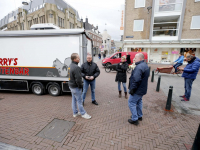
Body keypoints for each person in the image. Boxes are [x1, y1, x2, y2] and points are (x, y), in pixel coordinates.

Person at [128, 53, 149, 125]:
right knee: (139, 101)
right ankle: (139, 116)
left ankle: (135, 119)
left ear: (140, 58)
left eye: (135, 57)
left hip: (137, 89)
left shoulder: (139, 67)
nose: (134, 58)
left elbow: (136, 80)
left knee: (131, 102)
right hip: (142, 89)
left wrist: (132, 89)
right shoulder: (145, 65)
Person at [68, 53, 91, 119]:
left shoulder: (70, 65)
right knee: (79, 101)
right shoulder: (76, 67)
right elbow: (78, 79)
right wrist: (81, 86)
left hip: (71, 86)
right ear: (74, 59)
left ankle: (75, 113)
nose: (79, 59)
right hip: (75, 87)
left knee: (74, 100)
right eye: (78, 58)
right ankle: (83, 114)